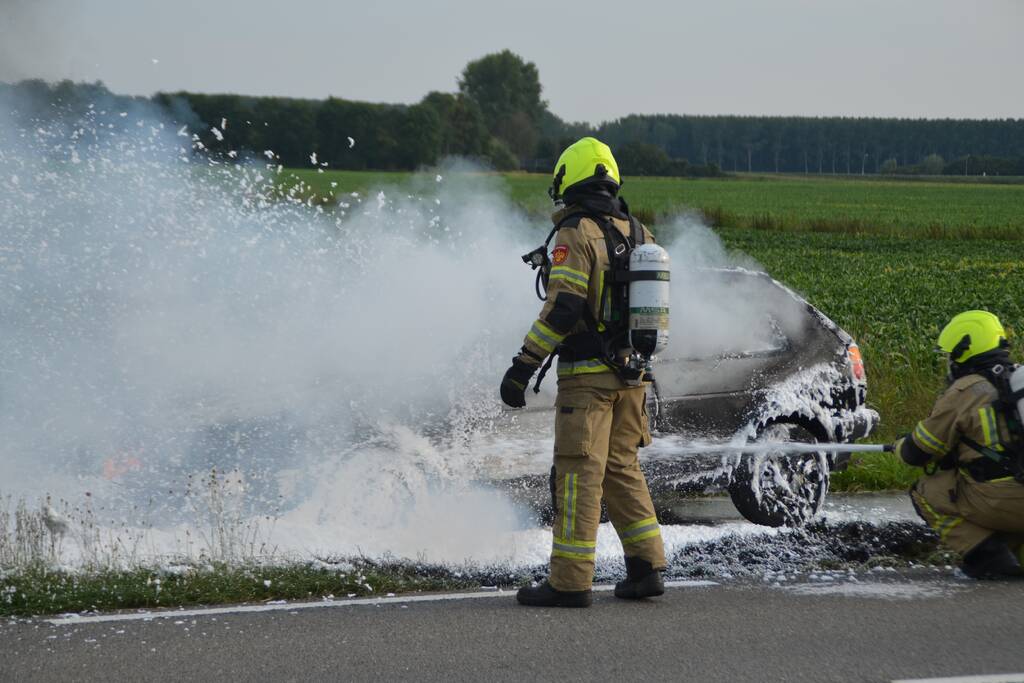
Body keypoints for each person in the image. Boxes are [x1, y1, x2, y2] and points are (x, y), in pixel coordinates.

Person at [500, 137, 667, 607]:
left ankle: (570, 583)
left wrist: (522, 366)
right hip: (633, 377)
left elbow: (564, 307)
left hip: (588, 381)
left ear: (568, 178)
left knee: (578, 474)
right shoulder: (638, 232)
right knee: (622, 468)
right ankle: (647, 567)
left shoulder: (576, 232)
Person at [895, 310, 1024, 579]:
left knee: (928, 491)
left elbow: (917, 451)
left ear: (963, 349)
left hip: (1003, 500)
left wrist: (900, 446)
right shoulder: (1016, 382)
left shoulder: (966, 390)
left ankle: (989, 558)